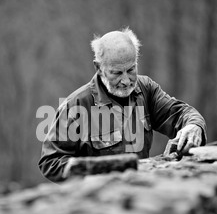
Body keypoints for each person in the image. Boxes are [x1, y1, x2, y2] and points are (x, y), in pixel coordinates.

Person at [38, 27, 207, 182]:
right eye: (117, 73)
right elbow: (50, 162)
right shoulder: (76, 106)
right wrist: (97, 173)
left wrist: (194, 125)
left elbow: (180, 113)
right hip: (99, 201)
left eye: (131, 69)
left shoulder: (146, 89)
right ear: (98, 67)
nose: (126, 80)